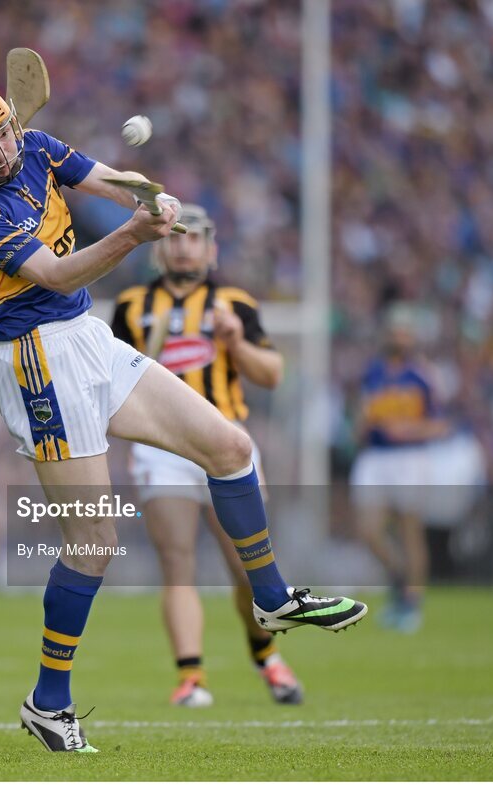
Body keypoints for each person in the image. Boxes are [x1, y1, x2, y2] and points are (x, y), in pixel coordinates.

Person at [0, 80, 365, 753]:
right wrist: (137, 234)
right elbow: (55, 274)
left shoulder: (37, 147)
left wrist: (147, 194)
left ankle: (272, 596)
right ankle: (49, 701)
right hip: (37, 357)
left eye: (3, 133)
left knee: (230, 445)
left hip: (90, 339)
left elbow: (112, 178)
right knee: (95, 541)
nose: (0, 150)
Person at [111, 204, 302, 708]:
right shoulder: (131, 305)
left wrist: (235, 343)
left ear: (210, 248)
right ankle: (191, 676)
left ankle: (265, 656)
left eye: (193, 236)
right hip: (163, 450)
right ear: (160, 247)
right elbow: (111, 384)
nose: (183, 245)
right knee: (177, 562)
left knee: (246, 567)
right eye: (174, 236)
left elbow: (272, 375)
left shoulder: (233, 302)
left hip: (227, 443)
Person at [350, 304, 449, 633]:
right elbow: (361, 417)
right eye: (395, 331)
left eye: (405, 331)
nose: (399, 337)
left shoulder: (423, 375)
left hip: (409, 458)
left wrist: (410, 430)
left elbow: (440, 425)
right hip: (376, 456)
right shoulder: (373, 372)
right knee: (368, 530)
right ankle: (399, 579)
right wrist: (361, 424)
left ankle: (411, 604)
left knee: (410, 531)